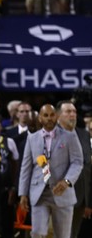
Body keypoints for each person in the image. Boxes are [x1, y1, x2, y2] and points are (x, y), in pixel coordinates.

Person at [18, 104, 84, 238]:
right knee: (37, 233)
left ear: (57, 117)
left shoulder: (70, 136)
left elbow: (77, 162)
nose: (49, 118)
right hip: (39, 193)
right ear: (40, 118)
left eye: (52, 115)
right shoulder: (32, 138)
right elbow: (26, 167)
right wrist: (23, 193)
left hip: (62, 192)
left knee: (63, 235)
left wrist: (67, 181)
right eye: (45, 115)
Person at [56, 100, 92, 238]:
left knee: (72, 235)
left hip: (80, 197)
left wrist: (89, 201)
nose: (72, 115)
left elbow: (88, 169)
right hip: (58, 195)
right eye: (68, 111)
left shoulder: (83, 134)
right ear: (58, 115)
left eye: (74, 112)